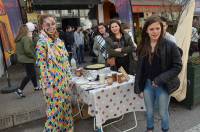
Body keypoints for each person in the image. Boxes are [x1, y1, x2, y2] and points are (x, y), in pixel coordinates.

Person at [134, 16, 182, 132]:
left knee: (162, 112)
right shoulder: (142, 46)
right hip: (147, 85)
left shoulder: (170, 45)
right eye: (151, 29)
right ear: (146, 30)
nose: (155, 32)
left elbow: (177, 66)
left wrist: (160, 79)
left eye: (157, 28)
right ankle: (149, 129)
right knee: (149, 111)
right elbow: (140, 69)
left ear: (162, 29)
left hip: (164, 85)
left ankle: (165, 129)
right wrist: (138, 88)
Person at [36, 14, 73, 131]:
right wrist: (48, 86)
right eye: (48, 24)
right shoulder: (41, 43)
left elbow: (65, 63)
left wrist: (69, 79)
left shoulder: (59, 41)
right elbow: (42, 66)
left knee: (66, 111)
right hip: (52, 85)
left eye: (53, 24)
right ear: (42, 26)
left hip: (63, 82)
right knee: (54, 115)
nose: (51, 27)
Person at [15, 22, 40, 98]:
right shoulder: (25, 38)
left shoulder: (20, 38)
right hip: (28, 59)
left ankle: (36, 87)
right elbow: (27, 50)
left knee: (32, 73)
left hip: (24, 59)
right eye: (29, 30)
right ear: (26, 30)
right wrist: (33, 56)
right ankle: (19, 90)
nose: (30, 32)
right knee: (30, 75)